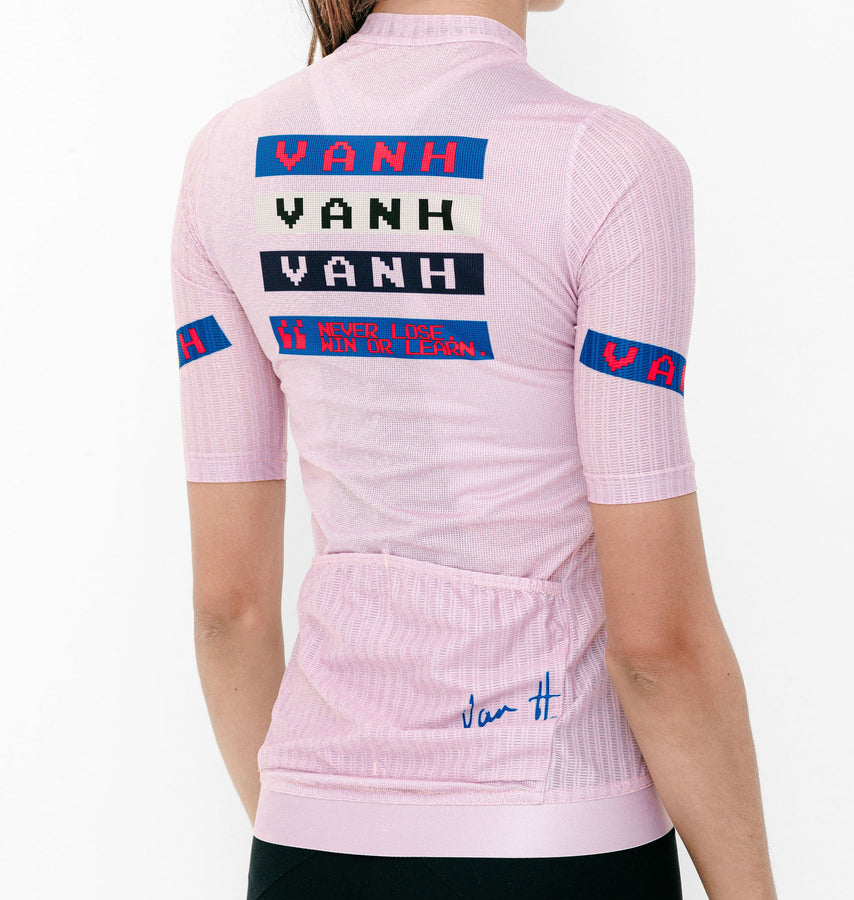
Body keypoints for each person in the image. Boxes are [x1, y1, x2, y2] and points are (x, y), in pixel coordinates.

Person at [170, 0, 778, 897]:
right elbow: (659, 647)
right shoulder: (608, 167)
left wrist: (318, 820)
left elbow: (230, 611)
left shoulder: (225, 160)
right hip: (557, 836)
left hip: (310, 846)